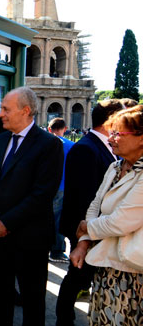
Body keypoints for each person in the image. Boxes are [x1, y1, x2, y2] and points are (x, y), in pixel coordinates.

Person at [0, 86, 63, 326]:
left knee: (33, 302)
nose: (0, 114)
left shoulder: (48, 145)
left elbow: (42, 194)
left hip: (31, 239)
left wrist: (5, 222)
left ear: (26, 111)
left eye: (6, 109)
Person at [70, 105, 143, 324]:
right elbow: (95, 205)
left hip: (133, 270)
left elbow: (121, 222)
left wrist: (86, 228)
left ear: (141, 138)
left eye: (118, 133)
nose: (112, 138)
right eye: (111, 132)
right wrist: (83, 242)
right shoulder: (114, 167)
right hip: (106, 266)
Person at [56, 99, 124, 326]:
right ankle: (64, 320)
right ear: (110, 120)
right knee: (77, 277)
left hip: (94, 227)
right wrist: (84, 237)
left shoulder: (102, 146)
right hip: (84, 228)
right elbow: (83, 197)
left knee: (81, 277)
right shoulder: (86, 148)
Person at [47, 117, 75, 263]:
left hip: (45, 187)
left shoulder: (44, 143)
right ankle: (57, 250)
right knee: (58, 220)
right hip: (63, 186)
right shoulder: (71, 145)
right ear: (65, 129)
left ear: (49, 129)